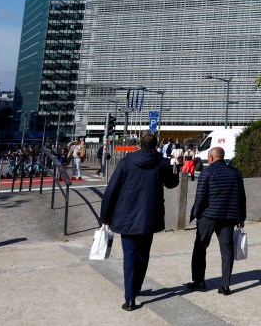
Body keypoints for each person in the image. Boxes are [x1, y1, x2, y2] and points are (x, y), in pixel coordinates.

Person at [100, 133, 179, 311]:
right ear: (156, 145)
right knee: (143, 255)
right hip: (149, 217)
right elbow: (172, 184)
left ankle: (129, 298)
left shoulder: (126, 162)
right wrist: (177, 167)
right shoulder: (162, 163)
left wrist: (105, 216)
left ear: (139, 145)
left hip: (126, 217)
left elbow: (112, 189)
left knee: (129, 256)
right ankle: (137, 288)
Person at [187, 146, 246, 296]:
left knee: (200, 247)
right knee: (227, 250)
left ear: (212, 158)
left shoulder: (207, 172)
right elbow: (242, 196)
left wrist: (195, 213)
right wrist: (242, 217)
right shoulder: (236, 173)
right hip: (228, 217)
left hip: (209, 215)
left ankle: (199, 281)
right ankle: (225, 285)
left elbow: (200, 197)